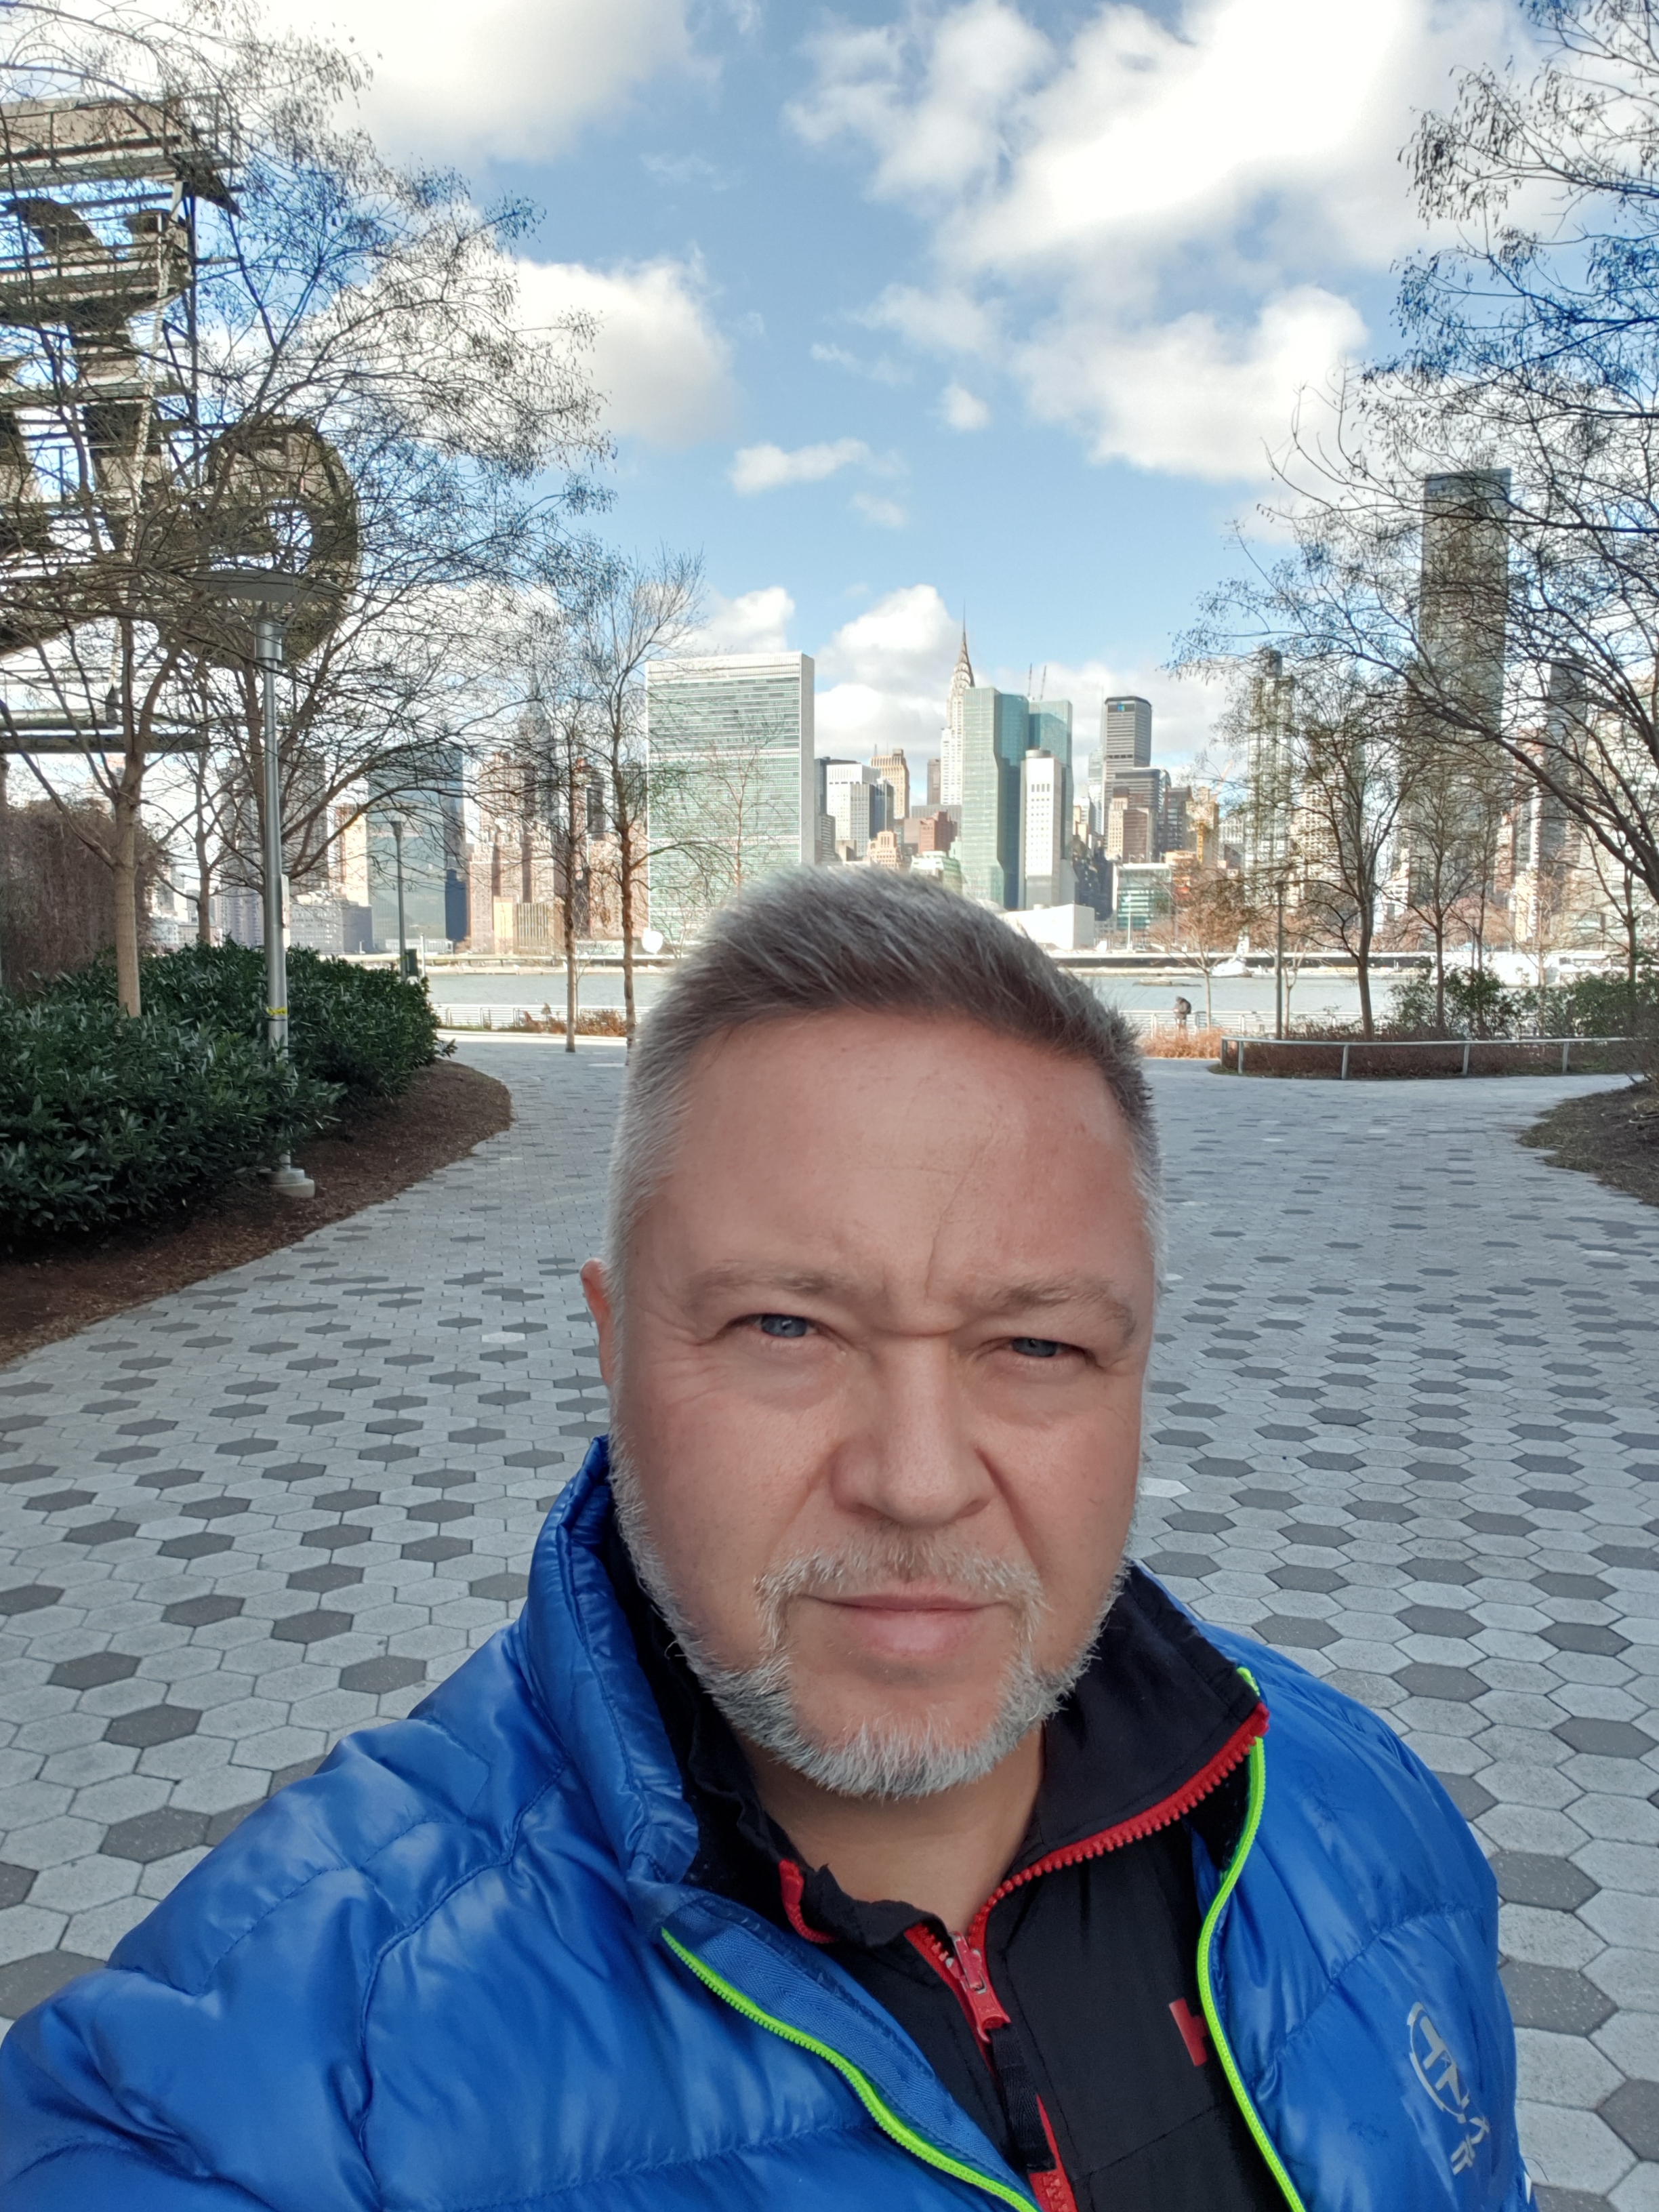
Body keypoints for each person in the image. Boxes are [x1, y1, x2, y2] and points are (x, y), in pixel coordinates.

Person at [0, 870, 1523, 2211]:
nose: (916, 1482)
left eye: (1037, 1345)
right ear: (615, 1348)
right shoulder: (278, 2099)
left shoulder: (1356, 1810)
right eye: (786, 1327)